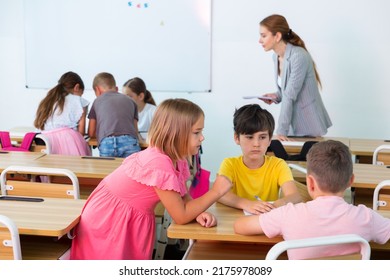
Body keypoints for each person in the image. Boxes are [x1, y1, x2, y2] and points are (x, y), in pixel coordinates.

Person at [70, 98, 231, 260]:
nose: (202, 138)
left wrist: (198, 213)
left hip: (126, 216)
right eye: (197, 132)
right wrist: (216, 192)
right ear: (176, 133)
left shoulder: (177, 159)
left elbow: (183, 197)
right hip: (110, 219)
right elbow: (180, 216)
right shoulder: (159, 163)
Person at [234, 140, 390, 260]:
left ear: (310, 182)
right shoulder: (366, 217)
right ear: (351, 181)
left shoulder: (288, 215)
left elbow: (239, 226)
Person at [216, 104, 301, 215]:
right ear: (237, 138)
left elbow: (295, 196)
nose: (256, 144)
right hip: (235, 221)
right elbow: (219, 194)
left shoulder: (278, 165)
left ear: (270, 139)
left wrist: (271, 206)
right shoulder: (229, 164)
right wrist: (247, 204)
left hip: (266, 221)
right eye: (250, 137)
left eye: (262, 137)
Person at [259, 14, 332, 141]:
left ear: (277, 36)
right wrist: (276, 96)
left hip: (308, 125)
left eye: (263, 36)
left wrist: (281, 130)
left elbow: (290, 95)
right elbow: (286, 91)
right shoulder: (275, 57)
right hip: (293, 126)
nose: (260, 40)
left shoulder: (298, 56)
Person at [34, 71, 91, 156]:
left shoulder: (48, 100)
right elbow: (81, 131)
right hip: (68, 141)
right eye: (81, 94)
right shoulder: (79, 101)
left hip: (45, 141)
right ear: (77, 87)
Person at [88, 72, 141, 157]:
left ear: (97, 90)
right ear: (115, 88)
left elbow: (91, 132)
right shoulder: (131, 101)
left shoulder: (97, 101)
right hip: (129, 141)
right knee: (132, 169)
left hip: (107, 142)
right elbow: (135, 131)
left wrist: (102, 132)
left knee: (107, 170)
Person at [122, 77, 157, 141]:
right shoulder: (125, 113)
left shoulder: (153, 111)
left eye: (128, 96)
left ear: (141, 96)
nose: (124, 100)